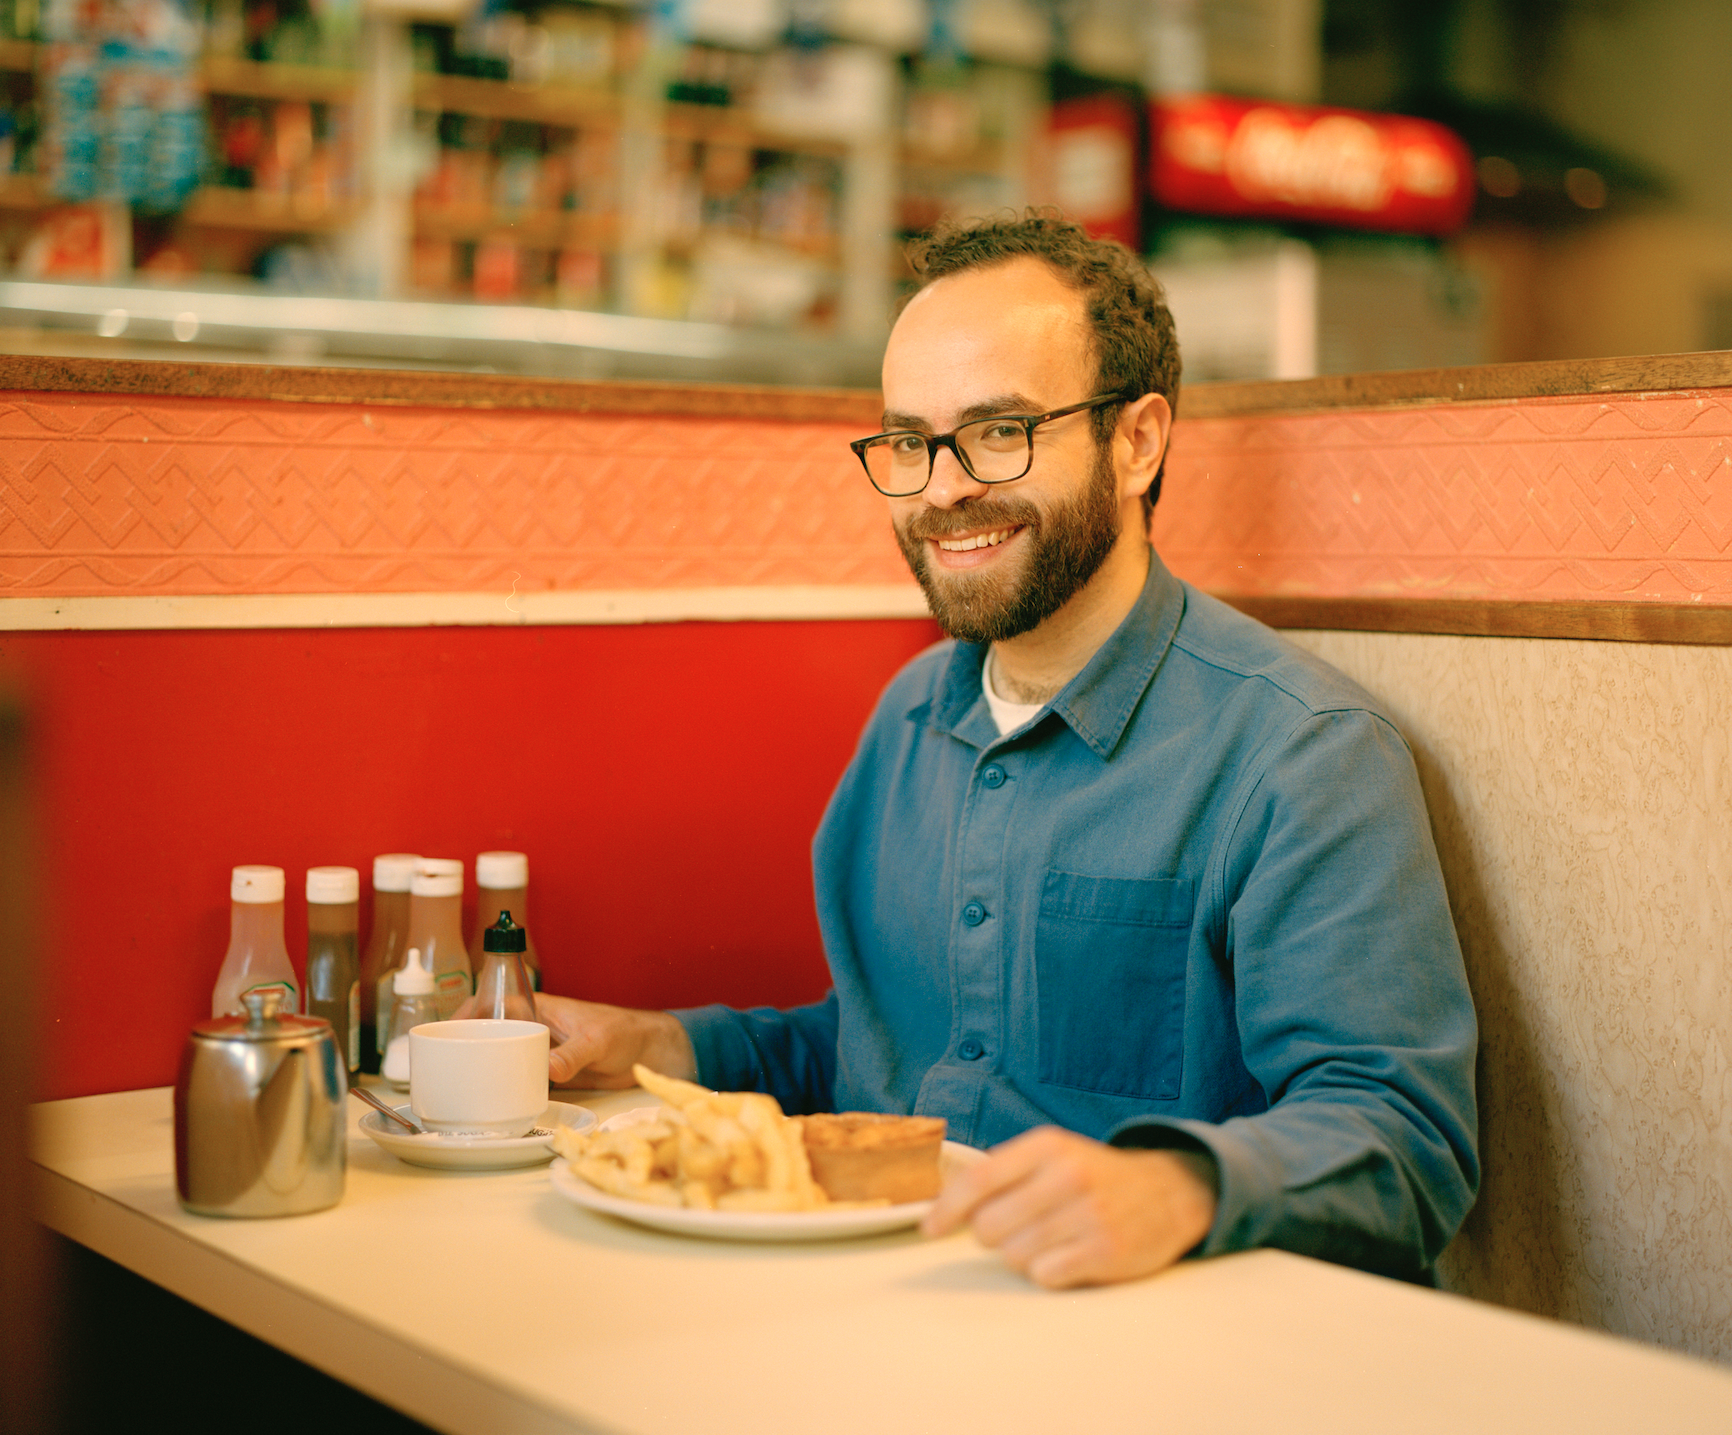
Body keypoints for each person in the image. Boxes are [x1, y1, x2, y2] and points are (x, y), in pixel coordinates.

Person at [537, 211, 1479, 1289]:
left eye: (997, 433)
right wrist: (659, 1048)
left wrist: (1176, 1188)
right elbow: (885, 1053)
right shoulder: (905, 720)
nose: (942, 489)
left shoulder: (1300, 756)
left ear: (1137, 442)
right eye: (907, 441)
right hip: (905, 1318)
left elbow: (1408, 1144)